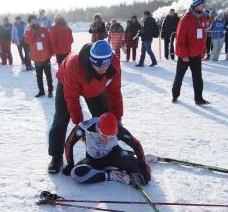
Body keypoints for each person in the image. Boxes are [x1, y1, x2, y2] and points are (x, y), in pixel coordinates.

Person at [47, 40, 123, 173]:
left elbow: (115, 92)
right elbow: (72, 100)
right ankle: (56, 156)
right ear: (92, 62)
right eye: (100, 67)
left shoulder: (114, 64)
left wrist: (117, 118)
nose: (104, 70)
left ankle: (105, 151)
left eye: (106, 67)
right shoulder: (74, 66)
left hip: (95, 89)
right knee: (61, 118)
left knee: (104, 118)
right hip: (68, 82)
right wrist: (79, 126)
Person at [62, 113, 151, 186]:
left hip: (114, 155)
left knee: (142, 175)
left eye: (111, 136)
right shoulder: (84, 127)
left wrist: (143, 165)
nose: (107, 139)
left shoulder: (119, 129)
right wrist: (70, 164)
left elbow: (136, 144)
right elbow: (69, 143)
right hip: (93, 159)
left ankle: (135, 158)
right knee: (76, 174)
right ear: (99, 128)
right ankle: (112, 175)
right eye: (104, 135)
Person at [171, 0, 210, 106]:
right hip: (185, 55)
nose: (204, 5)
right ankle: (175, 95)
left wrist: (203, 51)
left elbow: (202, 37)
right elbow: (179, 39)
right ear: (197, 4)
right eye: (203, 3)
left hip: (196, 54)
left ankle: (199, 98)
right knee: (179, 76)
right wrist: (184, 55)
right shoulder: (186, 19)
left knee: (198, 77)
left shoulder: (202, 17)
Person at [24, 15, 53, 98]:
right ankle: (41, 91)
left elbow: (49, 41)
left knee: (48, 75)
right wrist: (32, 30)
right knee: (39, 76)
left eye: (34, 20)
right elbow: (27, 41)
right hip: (37, 58)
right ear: (29, 23)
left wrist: (52, 52)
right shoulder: (28, 31)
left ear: (37, 21)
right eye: (31, 22)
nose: (33, 22)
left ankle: (50, 91)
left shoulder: (44, 29)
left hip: (46, 57)